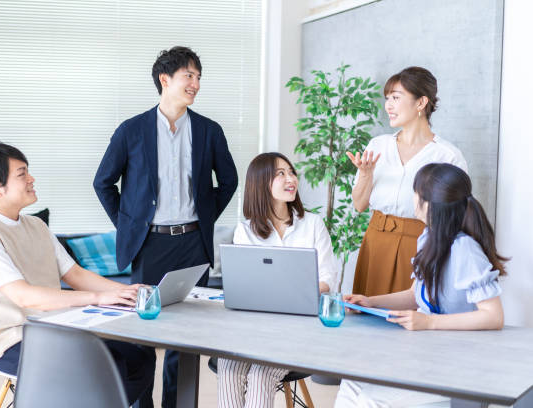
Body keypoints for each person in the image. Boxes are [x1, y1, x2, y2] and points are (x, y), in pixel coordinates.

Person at [0, 139, 155, 404]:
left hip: (57, 329)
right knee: (106, 367)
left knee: (138, 359)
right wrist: (98, 298)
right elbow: (25, 297)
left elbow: (75, 274)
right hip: (11, 340)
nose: (31, 178)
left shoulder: (35, 225)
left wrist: (127, 291)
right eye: (22, 174)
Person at [93, 46, 238, 407]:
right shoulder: (131, 130)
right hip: (150, 245)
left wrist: (203, 220)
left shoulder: (208, 130)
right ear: (165, 79)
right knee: (143, 335)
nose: (196, 83)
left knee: (185, 338)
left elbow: (229, 181)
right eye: (189, 75)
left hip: (193, 245)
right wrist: (132, 227)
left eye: (199, 77)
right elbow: (103, 183)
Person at [336, 163, 507, 407]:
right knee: (351, 383)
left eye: (415, 191)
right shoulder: (428, 238)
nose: (412, 197)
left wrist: (429, 322)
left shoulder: (465, 250)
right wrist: (370, 301)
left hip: (457, 364)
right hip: (426, 354)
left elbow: (494, 317)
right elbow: (417, 295)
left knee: (370, 399)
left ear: (429, 203)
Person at [217, 152, 339, 408]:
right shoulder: (246, 231)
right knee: (229, 368)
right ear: (261, 183)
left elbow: (328, 279)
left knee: (261, 375)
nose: (291, 178)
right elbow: (245, 287)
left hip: (298, 331)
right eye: (280, 173)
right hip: (253, 329)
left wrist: (288, 295)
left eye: (291, 172)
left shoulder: (313, 225)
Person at [347, 66, 468, 297]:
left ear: (421, 103)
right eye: (387, 98)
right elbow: (359, 205)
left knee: (408, 319)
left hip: (421, 246)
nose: (388, 106)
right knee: (367, 316)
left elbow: (454, 217)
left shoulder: (447, 156)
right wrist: (365, 174)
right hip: (375, 242)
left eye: (396, 97)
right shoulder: (377, 146)